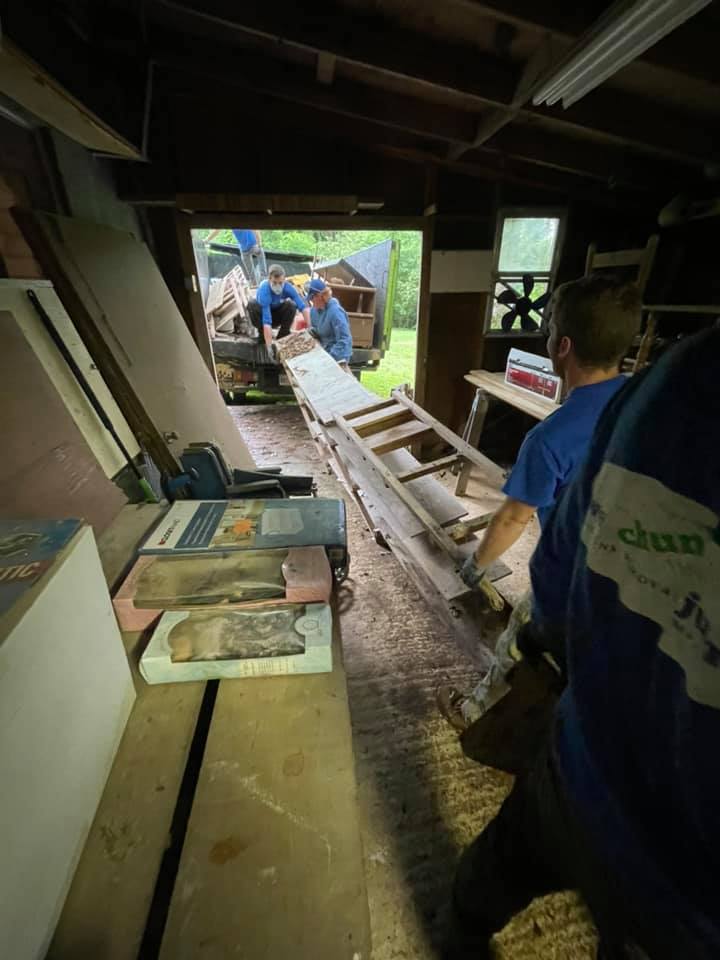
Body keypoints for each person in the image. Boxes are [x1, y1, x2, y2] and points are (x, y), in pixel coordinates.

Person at [445, 325, 720, 960]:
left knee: (492, 876)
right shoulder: (646, 384)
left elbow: (553, 589)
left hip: (584, 766)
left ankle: (461, 935)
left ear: (561, 345)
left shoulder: (672, 384)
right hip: (696, 900)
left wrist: (482, 572)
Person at [439, 275, 642, 729]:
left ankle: (474, 715)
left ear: (562, 346)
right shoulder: (642, 400)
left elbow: (514, 516)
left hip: (577, 571)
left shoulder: (549, 438)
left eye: (550, 332)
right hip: (639, 566)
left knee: (518, 643)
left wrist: (477, 565)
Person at [247, 265, 311, 351]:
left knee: (291, 305)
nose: (278, 286)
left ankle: (282, 336)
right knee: (252, 304)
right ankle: (262, 336)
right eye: (274, 283)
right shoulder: (264, 291)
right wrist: (269, 348)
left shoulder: (288, 288)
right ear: (269, 280)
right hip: (263, 317)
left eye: (280, 283)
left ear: (284, 280)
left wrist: (311, 327)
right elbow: (267, 322)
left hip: (277, 314)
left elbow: (303, 307)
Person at [306, 278, 353, 368]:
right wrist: (312, 332)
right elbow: (317, 330)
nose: (311, 301)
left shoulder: (335, 312)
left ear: (321, 296)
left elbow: (344, 339)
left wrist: (329, 358)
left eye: (312, 297)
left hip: (339, 356)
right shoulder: (313, 311)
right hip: (324, 351)